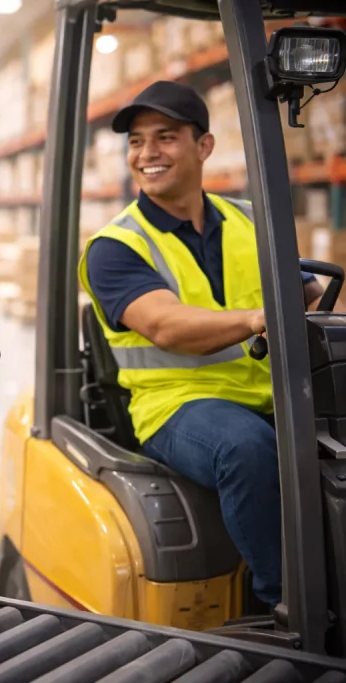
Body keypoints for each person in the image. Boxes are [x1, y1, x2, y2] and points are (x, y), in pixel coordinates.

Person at [78, 80, 331, 610]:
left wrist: (304, 296)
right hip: (177, 407)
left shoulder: (250, 219)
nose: (147, 153)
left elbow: (307, 288)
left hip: (270, 392)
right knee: (246, 449)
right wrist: (260, 315)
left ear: (204, 146)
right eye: (136, 142)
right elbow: (168, 327)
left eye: (165, 137)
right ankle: (286, 606)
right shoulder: (115, 247)